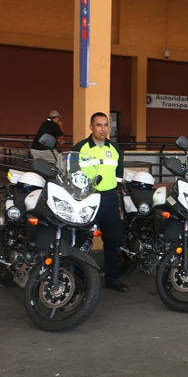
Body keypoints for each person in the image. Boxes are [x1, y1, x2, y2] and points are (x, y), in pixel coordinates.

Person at [72, 112, 127, 292]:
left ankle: (112, 279)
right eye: (99, 125)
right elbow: (71, 174)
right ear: (91, 127)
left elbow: (118, 174)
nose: (103, 129)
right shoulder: (80, 148)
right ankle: (78, 281)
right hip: (86, 198)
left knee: (113, 239)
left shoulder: (115, 149)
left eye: (106, 125)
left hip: (109, 198)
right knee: (81, 239)